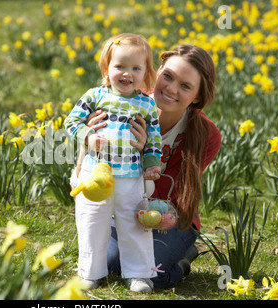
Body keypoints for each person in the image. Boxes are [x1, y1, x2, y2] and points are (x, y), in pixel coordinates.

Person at [83, 44, 221, 289]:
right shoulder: (123, 102)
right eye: (167, 76)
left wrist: (144, 152)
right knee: (110, 262)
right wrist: (89, 136)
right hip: (123, 209)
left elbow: (173, 193)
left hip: (171, 216)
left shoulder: (206, 135)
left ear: (198, 96)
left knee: (154, 274)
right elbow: (89, 152)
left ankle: (184, 255)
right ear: (157, 71)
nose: (170, 88)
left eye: (185, 86)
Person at [64, 33, 162, 293]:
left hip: (130, 176)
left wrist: (152, 163)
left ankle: (139, 274)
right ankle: (89, 272)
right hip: (94, 174)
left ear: (145, 74)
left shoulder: (146, 104)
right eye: (120, 66)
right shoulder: (95, 95)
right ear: (106, 68)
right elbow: (71, 122)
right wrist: (88, 135)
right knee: (91, 220)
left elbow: (153, 138)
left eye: (135, 68)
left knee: (133, 223)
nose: (126, 73)